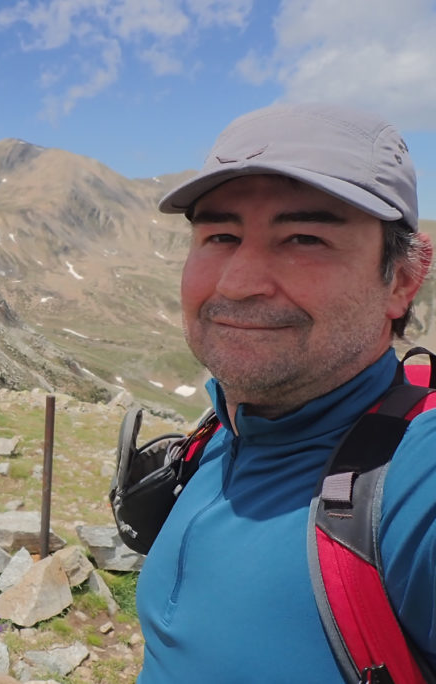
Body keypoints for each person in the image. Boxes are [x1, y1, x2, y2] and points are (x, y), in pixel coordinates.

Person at [136, 102, 435, 681]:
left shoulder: (413, 485)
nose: (239, 283)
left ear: (401, 278)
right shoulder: (221, 432)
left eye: (303, 238)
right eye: (220, 235)